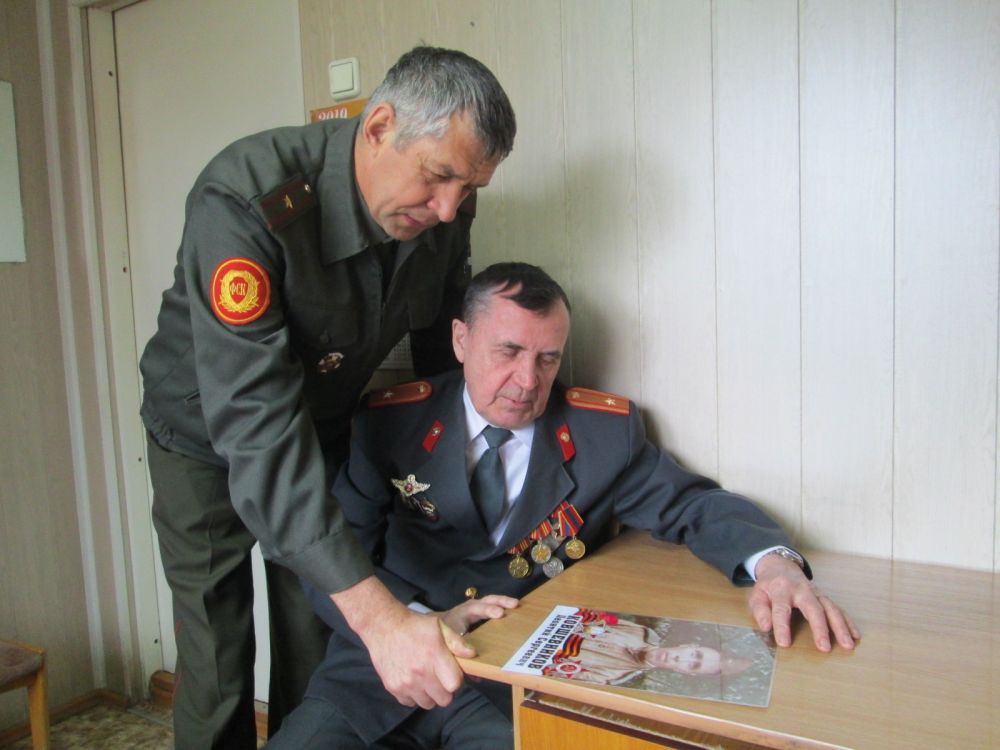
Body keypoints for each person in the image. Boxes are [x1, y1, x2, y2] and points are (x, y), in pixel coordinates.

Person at [265, 262, 859, 749]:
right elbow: (330, 557)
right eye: (508, 351)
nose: (528, 380)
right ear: (461, 340)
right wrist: (410, 620)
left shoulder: (602, 435)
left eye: (547, 358)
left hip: (503, 686)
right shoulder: (391, 422)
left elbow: (693, 504)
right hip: (376, 669)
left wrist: (774, 564)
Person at [138, 47, 516, 748]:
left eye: (469, 188)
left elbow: (441, 360)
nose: (449, 209)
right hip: (202, 437)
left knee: (317, 632)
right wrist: (384, 619)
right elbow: (256, 426)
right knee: (217, 653)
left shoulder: (444, 207)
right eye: (439, 177)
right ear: (379, 128)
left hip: (322, 426)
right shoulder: (247, 199)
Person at [541, 608, 751, 685]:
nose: (682, 658)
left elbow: (551, 671)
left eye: (693, 665)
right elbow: (592, 618)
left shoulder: (614, 676)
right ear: (687, 645)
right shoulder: (641, 631)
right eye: (694, 654)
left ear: (685, 672)